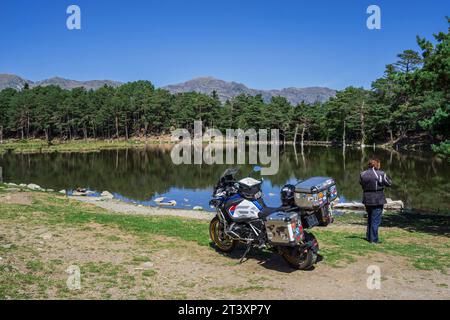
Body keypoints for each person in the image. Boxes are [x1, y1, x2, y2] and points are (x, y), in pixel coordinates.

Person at [360, 159, 392, 243]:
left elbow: (361, 183)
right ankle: (374, 239)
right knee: (376, 220)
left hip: (367, 198)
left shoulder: (362, 174)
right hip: (378, 198)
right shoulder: (381, 173)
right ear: (376, 165)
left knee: (370, 218)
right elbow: (388, 183)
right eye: (379, 164)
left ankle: (369, 237)